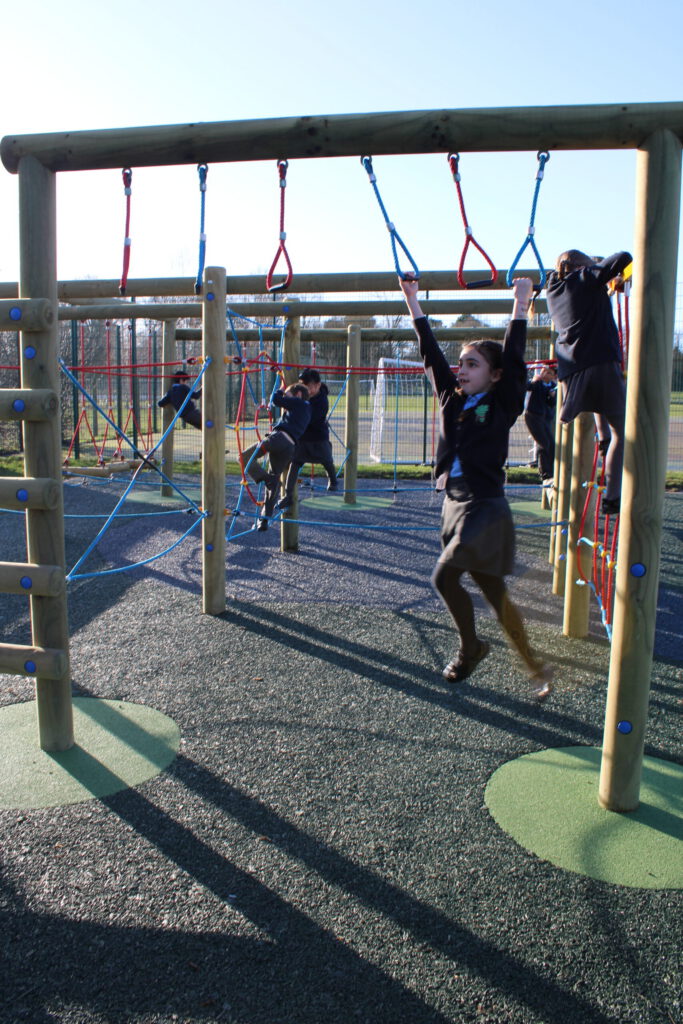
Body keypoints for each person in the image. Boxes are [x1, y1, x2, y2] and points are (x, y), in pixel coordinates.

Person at [399, 273, 553, 701]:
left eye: (472, 364)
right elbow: (431, 355)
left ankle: (471, 649)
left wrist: (520, 305)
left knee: (443, 576)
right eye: (461, 363)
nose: (462, 369)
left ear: (494, 375)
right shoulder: (451, 398)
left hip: (485, 509)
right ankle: (536, 666)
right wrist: (413, 302)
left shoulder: (503, 402)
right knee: (496, 597)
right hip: (454, 505)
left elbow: (517, 358)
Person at [545, 250, 632, 515]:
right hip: (600, 363)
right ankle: (612, 497)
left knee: (600, 409)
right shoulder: (584, 278)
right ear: (582, 266)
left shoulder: (553, 290)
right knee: (624, 431)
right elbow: (624, 256)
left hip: (571, 371)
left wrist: (603, 279)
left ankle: (604, 442)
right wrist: (598, 267)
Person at [241, 382, 311, 530]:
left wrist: (280, 390)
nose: (286, 399)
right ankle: (264, 520)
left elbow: (276, 400)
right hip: (289, 448)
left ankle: (268, 480)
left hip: (278, 439)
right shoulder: (307, 409)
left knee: (244, 457)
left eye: (288, 396)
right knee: (272, 483)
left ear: (297, 395)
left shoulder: (298, 402)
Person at [279, 368, 338, 510]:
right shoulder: (301, 395)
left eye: (310, 387)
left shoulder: (322, 400)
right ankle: (288, 496)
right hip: (303, 438)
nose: (308, 390)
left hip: (318, 437)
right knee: (295, 464)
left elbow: (309, 417)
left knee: (327, 460)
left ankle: (333, 480)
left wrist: (295, 409)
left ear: (318, 385)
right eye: (304, 386)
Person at [524, 364, 557, 484]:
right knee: (544, 443)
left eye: (548, 372)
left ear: (554, 376)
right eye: (543, 371)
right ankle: (545, 474)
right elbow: (527, 387)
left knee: (551, 445)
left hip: (545, 418)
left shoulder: (553, 386)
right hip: (533, 416)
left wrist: (552, 396)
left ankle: (551, 472)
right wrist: (532, 380)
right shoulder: (536, 384)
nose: (544, 374)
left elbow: (552, 403)